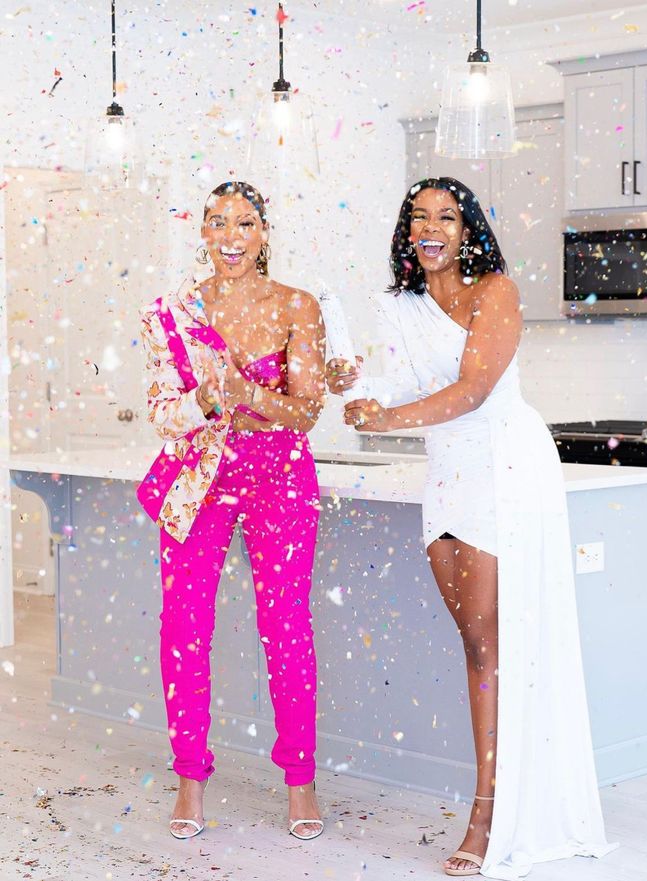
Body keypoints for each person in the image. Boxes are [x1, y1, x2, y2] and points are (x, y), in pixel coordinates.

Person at [327, 177, 616, 878]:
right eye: (419, 217)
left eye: (446, 217)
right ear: (408, 231)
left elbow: (473, 389)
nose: (432, 228)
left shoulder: (497, 291)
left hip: (505, 466)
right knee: (477, 641)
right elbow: (393, 382)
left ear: (467, 229)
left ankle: (489, 814)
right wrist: (355, 388)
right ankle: (501, 792)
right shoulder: (398, 304)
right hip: (447, 473)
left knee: (493, 641)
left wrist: (384, 421)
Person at [138, 181, 326, 841]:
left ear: (264, 232)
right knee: (183, 625)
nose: (231, 235)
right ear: (203, 232)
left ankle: (300, 778)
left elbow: (307, 409)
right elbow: (165, 415)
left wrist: (249, 391)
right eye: (218, 222)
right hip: (200, 478)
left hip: (280, 476)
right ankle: (189, 777)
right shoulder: (172, 312)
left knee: (286, 626)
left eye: (245, 222)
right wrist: (212, 404)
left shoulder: (298, 305)